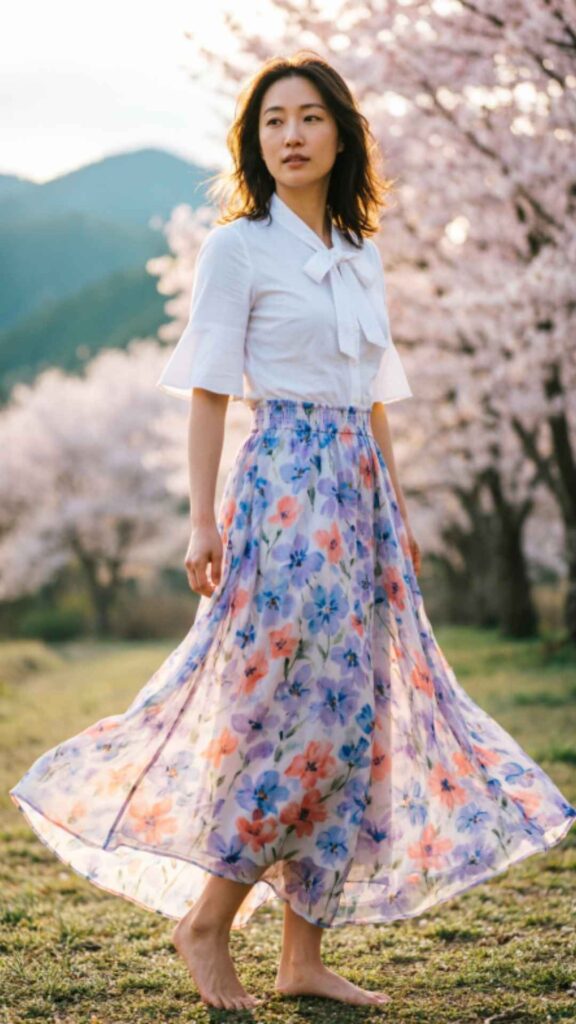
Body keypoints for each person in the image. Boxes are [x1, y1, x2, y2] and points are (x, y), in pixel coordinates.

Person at [9, 51, 576, 1013]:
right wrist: (201, 518)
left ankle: (301, 957)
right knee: (286, 717)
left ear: (342, 134)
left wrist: (394, 512)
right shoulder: (237, 248)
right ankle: (207, 921)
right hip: (282, 493)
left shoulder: (362, 252)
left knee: (352, 724)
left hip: (358, 497)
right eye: (273, 121)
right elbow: (209, 393)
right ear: (254, 140)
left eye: (310, 118)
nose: (292, 136)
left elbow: (377, 400)